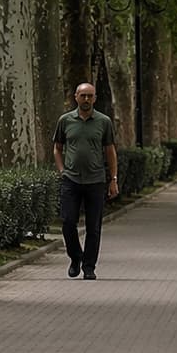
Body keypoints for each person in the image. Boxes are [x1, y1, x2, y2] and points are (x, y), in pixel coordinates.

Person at [53, 83, 119, 280]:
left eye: (90, 96)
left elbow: (110, 151)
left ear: (95, 98)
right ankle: (76, 257)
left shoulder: (103, 121)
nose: (87, 100)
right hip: (71, 180)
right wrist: (62, 170)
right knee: (68, 222)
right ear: (76, 97)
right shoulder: (65, 121)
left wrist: (113, 179)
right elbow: (57, 147)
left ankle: (89, 266)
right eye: (83, 96)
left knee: (94, 227)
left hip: (95, 180)